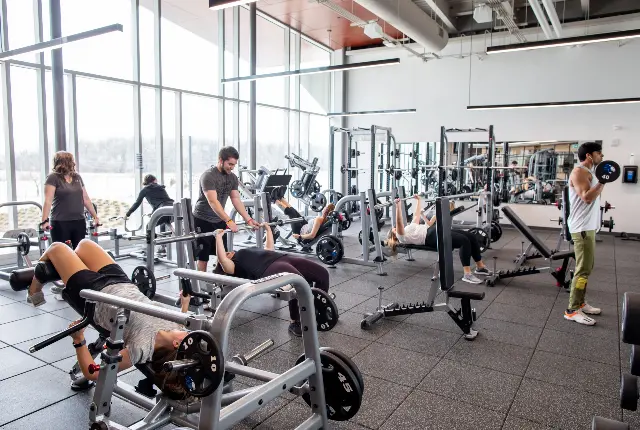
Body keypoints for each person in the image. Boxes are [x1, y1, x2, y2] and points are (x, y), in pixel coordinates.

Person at [25, 239, 192, 399]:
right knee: (84, 244)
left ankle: (35, 289)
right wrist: (185, 304)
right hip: (123, 283)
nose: (192, 336)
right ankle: (62, 266)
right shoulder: (179, 326)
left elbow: (94, 373)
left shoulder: (141, 348)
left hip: (95, 296)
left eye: (189, 340)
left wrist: (79, 340)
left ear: (176, 344)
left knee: (56, 247)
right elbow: (185, 320)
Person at [213, 223, 330, 337]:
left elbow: (269, 249)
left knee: (322, 274)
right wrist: (218, 237)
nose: (229, 252)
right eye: (227, 253)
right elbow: (222, 259)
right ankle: (295, 321)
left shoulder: (245, 251)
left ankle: (320, 309)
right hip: (269, 267)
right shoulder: (233, 266)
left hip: (282, 257)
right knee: (298, 284)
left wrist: (268, 230)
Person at [386, 195, 491, 284]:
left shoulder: (407, 228)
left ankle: (480, 267)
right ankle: (467, 274)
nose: (395, 228)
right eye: (393, 229)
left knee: (471, 236)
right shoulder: (401, 236)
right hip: (430, 238)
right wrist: (398, 206)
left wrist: (418, 200)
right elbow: (399, 221)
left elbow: (416, 216)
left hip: (433, 230)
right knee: (464, 241)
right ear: (393, 235)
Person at [192, 147, 259, 272]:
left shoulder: (232, 178)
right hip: (202, 219)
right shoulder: (208, 176)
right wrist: (228, 221)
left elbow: (235, 199)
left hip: (219, 218)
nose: (232, 167)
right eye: (230, 164)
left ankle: (220, 281)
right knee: (203, 256)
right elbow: (213, 201)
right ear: (220, 160)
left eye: (234, 165)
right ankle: (200, 286)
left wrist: (248, 219)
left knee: (222, 253)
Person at [563, 142, 605, 326]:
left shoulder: (589, 172)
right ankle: (572, 309)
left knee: (587, 267)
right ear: (589, 155)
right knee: (583, 269)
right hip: (581, 228)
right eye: (599, 153)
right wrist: (603, 181)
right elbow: (587, 197)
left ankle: (580, 302)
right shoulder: (579, 172)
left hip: (587, 227)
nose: (601, 156)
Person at [42, 151, 98, 249]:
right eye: (71, 161)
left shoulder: (77, 177)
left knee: (79, 252)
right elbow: (48, 201)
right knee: (62, 253)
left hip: (79, 221)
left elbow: (85, 199)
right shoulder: (53, 178)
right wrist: (44, 221)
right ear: (63, 162)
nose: (73, 163)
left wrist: (95, 216)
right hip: (60, 222)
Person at [126, 174, 174, 255]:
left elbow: (137, 203)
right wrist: (153, 214)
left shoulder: (145, 190)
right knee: (164, 224)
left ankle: (149, 250)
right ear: (153, 180)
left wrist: (128, 214)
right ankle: (162, 247)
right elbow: (163, 201)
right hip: (172, 208)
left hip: (162, 210)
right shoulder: (160, 187)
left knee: (149, 226)